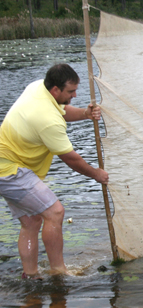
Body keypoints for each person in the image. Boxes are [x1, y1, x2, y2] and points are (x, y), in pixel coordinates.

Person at [0, 63, 109, 279]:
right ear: (55, 90)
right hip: (10, 171)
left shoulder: (37, 87)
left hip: (7, 165)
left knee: (31, 222)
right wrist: (96, 174)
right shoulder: (47, 120)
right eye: (71, 91)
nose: (75, 95)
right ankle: (59, 272)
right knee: (55, 212)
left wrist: (86, 114)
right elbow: (70, 159)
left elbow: (62, 110)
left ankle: (31, 276)